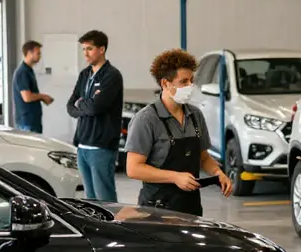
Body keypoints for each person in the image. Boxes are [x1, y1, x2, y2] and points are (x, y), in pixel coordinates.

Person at [124, 49, 232, 214]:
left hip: (191, 206)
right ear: (165, 84)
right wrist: (175, 177)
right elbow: (133, 169)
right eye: (183, 82)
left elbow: (203, 157)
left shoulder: (195, 115)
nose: (190, 86)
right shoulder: (146, 119)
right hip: (157, 209)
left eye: (191, 81)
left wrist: (218, 173)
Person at [66, 30, 124, 202]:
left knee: (104, 198)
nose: (85, 53)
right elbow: (70, 106)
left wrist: (82, 104)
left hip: (101, 146)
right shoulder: (85, 74)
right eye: (83, 49)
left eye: (89, 49)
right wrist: (86, 104)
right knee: (90, 199)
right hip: (82, 145)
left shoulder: (112, 76)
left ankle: (112, 228)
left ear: (102, 49)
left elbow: (96, 107)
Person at [12, 40, 53, 133]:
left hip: (32, 120)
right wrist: (42, 96)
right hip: (27, 122)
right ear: (30, 53)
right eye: (38, 53)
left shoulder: (28, 70)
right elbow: (27, 97)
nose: (40, 56)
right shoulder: (22, 72)